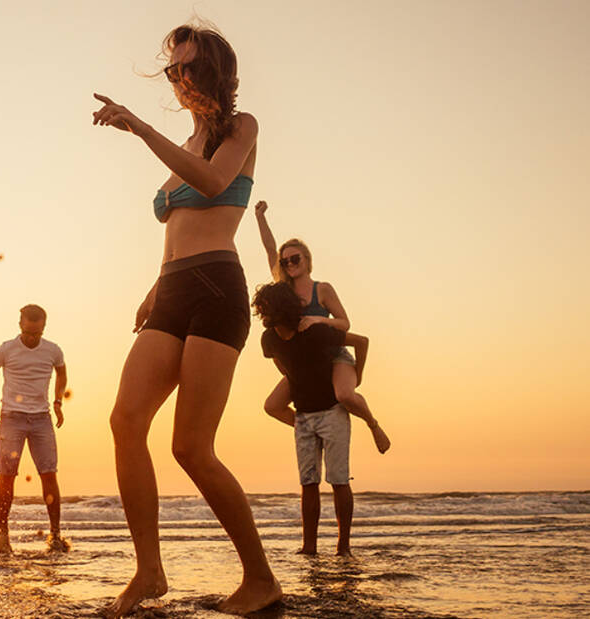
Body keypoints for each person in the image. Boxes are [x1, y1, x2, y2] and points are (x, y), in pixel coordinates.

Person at [91, 23, 281, 617]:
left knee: (192, 448)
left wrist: (139, 127)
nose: (181, 79)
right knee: (125, 421)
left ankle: (261, 579)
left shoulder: (240, 129)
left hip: (217, 290)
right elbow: (176, 229)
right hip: (171, 291)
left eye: (191, 67)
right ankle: (149, 571)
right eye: (173, 70)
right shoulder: (187, 137)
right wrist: (155, 286)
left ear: (218, 72)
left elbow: (213, 183)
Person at [254, 201, 390, 453]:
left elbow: (344, 323)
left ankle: (373, 424)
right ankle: (308, 430)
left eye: (295, 258)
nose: (290, 264)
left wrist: (317, 320)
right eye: (285, 262)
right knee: (272, 405)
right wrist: (260, 217)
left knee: (345, 396)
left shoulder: (322, 289)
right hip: (303, 364)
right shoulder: (284, 290)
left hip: (333, 354)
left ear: (307, 260)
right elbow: (270, 248)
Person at [253, 281, 376, 556]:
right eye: (261, 309)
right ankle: (309, 548)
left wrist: (358, 375)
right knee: (308, 483)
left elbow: (361, 342)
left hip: (333, 411)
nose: (263, 314)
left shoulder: (315, 331)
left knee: (338, 480)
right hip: (305, 416)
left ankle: (343, 548)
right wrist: (300, 417)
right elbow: (281, 365)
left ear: (282, 307)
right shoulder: (269, 339)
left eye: (267, 308)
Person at [0, 304, 69, 554]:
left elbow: (62, 373)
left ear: (43, 328)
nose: (32, 338)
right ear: (20, 325)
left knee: (49, 474)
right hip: (12, 418)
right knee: (7, 475)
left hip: (41, 418)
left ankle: (55, 535)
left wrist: (58, 400)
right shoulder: (7, 349)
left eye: (37, 334)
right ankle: (3, 537)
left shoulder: (53, 350)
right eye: (28, 333)